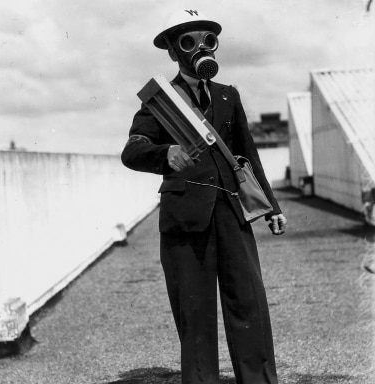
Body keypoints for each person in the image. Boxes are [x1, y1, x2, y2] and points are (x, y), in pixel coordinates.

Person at [121, 9, 287, 384]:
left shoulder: (228, 96)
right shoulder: (160, 101)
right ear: (172, 52)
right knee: (194, 316)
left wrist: (271, 207)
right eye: (189, 42)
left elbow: (248, 153)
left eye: (208, 40)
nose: (201, 48)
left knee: (249, 306)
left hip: (231, 211)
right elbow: (132, 150)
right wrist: (163, 155)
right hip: (184, 218)